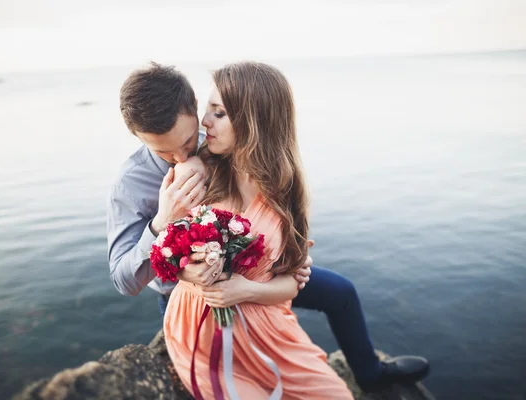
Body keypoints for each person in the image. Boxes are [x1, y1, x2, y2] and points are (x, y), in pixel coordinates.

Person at [107, 62, 430, 393]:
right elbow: (123, 278)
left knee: (341, 293)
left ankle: (370, 375)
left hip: (257, 270)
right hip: (190, 289)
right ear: (138, 137)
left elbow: (266, 174)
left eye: (189, 141)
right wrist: (163, 221)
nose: (180, 157)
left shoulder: (220, 145)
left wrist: (291, 255)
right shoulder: (132, 184)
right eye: (163, 150)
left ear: (194, 111)